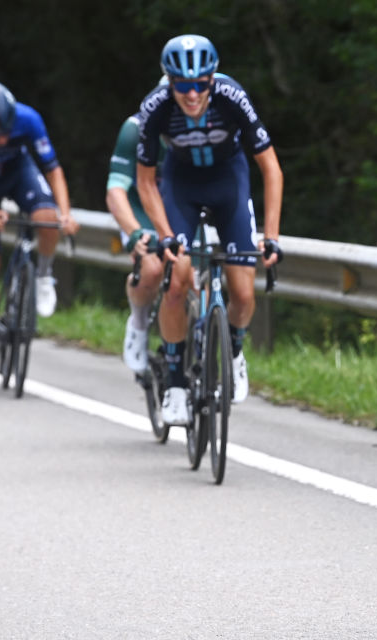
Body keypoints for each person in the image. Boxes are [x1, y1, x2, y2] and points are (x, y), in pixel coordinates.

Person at [135, 35, 283, 425]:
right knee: (177, 281)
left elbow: (271, 168)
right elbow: (146, 182)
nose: (192, 93)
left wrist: (271, 236)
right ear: (169, 82)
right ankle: (177, 386)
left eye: (201, 84)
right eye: (182, 85)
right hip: (180, 185)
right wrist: (165, 233)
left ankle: (233, 352)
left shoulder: (233, 97)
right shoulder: (155, 106)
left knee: (244, 292)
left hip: (227, 182)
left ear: (212, 79)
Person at [0, 81, 80, 372]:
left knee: (47, 219)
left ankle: (44, 276)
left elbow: (53, 170)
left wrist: (65, 213)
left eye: (5, 132)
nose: (0, 139)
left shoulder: (29, 119)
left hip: (19, 173)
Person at [106, 108, 165, 374]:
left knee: (198, 276)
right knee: (152, 269)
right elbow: (116, 189)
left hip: (175, 205)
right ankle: (139, 325)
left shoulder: (203, 128)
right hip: (139, 208)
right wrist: (133, 232)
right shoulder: (135, 128)